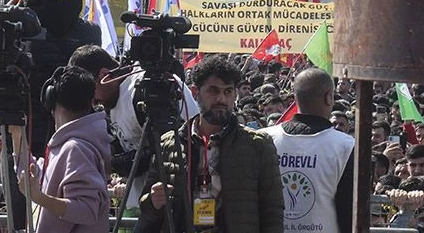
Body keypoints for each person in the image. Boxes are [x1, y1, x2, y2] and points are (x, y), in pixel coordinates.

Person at [138, 55, 284, 233]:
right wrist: (153, 200)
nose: (221, 99)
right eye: (213, 91)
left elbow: (273, 211)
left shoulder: (258, 145)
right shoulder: (170, 143)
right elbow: (147, 206)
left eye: (228, 91)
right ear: (195, 92)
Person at [68, 45, 198, 216]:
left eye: (89, 89)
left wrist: (111, 163)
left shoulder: (143, 89)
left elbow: (161, 152)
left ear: (103, 75)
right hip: (143, 202)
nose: (91, 100)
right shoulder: (116, 97)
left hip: (173, 200)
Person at [17, 0, 102, 157]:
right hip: (79, 132)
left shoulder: (18, 31)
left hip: (26, 129)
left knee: (24, 184)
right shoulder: (89, 31)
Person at [17, 66, 111, 233]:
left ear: (51, 99)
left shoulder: (76, 148)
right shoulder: (69, 144)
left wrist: (40, 198)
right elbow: (40, 180)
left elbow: (88, 211)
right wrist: (16, 137)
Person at [262, 68, 354, 233]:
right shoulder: (346, 147)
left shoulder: (263, 139)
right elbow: (349, 212)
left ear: (295, 98)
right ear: (329, 97)